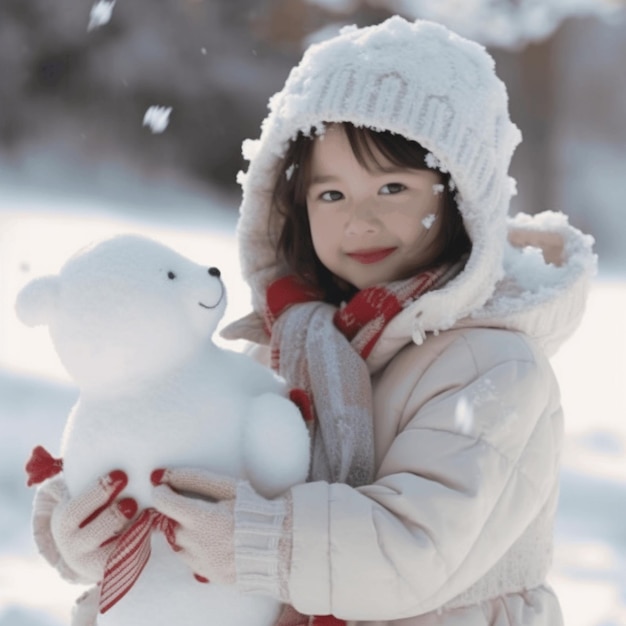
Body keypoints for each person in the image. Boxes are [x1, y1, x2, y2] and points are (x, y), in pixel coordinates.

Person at [30, 16, 597, 626]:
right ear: (293, 203)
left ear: (458, 196)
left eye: (394, 187)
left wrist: (257, 541)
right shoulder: (281, 349)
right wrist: (99, 523)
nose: (360, 220)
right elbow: (187, 481)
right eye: (331, 194)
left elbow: (412, 550)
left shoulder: (492, 367)